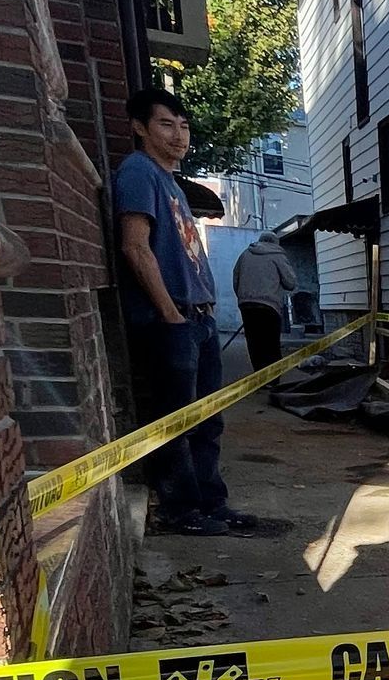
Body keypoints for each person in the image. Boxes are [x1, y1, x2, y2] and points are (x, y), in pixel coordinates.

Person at [115, 86, 266, 536]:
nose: (179, 135)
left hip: (196, 319)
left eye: (184, 126)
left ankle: (209, 502)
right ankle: (181, 510)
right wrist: (171, 316)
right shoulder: (138, 172)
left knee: (206, 420)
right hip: (171, 321)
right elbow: (135, 247)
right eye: (166, 124)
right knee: (177, 420)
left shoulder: (171, 183)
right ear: (140, 127)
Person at [233, 230, 300, 370]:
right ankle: (272, 380)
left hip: (247, 305)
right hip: (270, 305)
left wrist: (243, 297)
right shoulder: (278, 255)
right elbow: (290, 282)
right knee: (271, 344)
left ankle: (259, 377)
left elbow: (236, 279)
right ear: (276, 242)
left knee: (254, 343)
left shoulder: (245, 254)